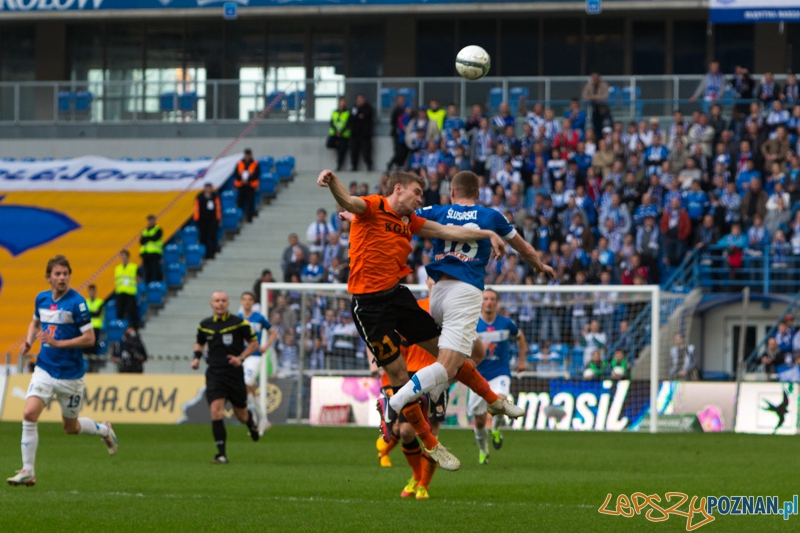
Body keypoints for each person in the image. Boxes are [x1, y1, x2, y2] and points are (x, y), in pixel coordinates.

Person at [317, 168, 510, 471]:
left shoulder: (410, 221)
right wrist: (332, 182)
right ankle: (430, 443)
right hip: (369, 308)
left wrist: (487, 233)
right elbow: (349, 201)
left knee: (448, 353)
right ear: (398, 189)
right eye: (417, 193)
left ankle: (492, 399)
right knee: (398, 374)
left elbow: (449, 232)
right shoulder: (374, 206)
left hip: (398, 297)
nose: (420, 199)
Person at [385, 171, 555, 444]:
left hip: (438, 292)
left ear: (452, 192)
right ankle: (396, 401)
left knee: (477, 352)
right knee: (447, 365)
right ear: (477, 194)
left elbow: (397, 209)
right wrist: (539, 266)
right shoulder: (491, 217)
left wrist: (357, 213)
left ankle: (438, 391)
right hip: (464, 293)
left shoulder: (437, 211)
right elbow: (524, 249)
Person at [7, 255, 118, 487]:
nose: (62, 278)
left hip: (70, 375)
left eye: (65, 274)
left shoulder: (77, 303)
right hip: (45, 369)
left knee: (71, 428)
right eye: (57, 274)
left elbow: (90, 338)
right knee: (29, 414)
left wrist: (58, 343)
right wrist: (28, 342)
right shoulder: (41, 298)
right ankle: (28, 471)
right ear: (48, 278)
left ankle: (104, 430)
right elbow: (35, 322)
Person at [191, 291, 260, 464]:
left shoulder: (238, 323)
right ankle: (221, 454)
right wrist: (196, 358)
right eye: (217, 300)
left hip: (234, 374)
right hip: (215, 373)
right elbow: (200, 343)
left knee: (241, 415)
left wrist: (241, 358)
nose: (220, 303)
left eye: (223, 300)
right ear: (211, 304)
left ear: (228, 303)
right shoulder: (204, 325)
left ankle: (250, 422)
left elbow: (254, 343)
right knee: (216, 411)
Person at [471, 289, 527, 465]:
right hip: (477, 376)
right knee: (479, 421)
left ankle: (495, 429)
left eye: (492, 299)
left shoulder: (506, 323)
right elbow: (463, 349)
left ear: (496, 303)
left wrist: (522, 360)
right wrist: (479, 348)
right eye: (486, 298)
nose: (489, 302)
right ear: (481, 302)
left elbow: (520, 337)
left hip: (500, 372)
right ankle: (483, 450)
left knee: (501, 403)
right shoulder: (472, 325)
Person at [238, 291, 273, 435]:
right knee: (251, 392)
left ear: (253, 302)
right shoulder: (237, 318)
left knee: (245, 382)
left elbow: (273, 332)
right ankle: (263, 421)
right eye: (244, 299)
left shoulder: (259, 318)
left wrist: (266, 346)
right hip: (242, 356)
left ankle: (254, 420)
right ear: (241, 302)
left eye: (249, 299)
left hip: (255, 356)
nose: (247, 302)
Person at [193, 182, 221, 259]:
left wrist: (217, 219)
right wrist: (197, 220)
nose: (208, 189)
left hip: (212, 221)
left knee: (212, 237)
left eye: (210, 188)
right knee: (203, 238)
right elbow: (196, 209)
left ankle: (212, 253)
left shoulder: (215, 197)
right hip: (202, 221)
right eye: (207, 188)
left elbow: (218, 209)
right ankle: (204, 254)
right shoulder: (199, 197)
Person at [114, 249, 139, 330]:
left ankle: (134, 328)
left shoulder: (133, 267)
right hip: (120, 292)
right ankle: (121, 329)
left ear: (128, 257)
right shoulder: (118, 268)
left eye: (124, 256)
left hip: (130, 292)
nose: (123, 258)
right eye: (122, 256)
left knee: (132, 311)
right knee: (120, 312)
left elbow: (138, 278)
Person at [234, 148, 260, 223]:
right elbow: (236, 174)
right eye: (246, 155)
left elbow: (256, 174)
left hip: (250, 186)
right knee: (240, 203)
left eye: (249, 155)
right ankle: (240, 219)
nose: (247, 156)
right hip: (241, 186)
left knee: (250, 202)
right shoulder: (239, 163)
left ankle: (249, 218)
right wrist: (241, 180)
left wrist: (248, 180)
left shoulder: (255, 163)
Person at [350, 94, 374, 171]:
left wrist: (360, 116)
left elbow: (366, 115)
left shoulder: (368, 108)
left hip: (365, 135)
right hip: (355, 135)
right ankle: (354, 167)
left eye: (360, 99)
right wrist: (358, 116)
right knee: (354, 152)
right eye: (358, 99)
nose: (359, 101)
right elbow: (352, 117)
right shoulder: (354, 108)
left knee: (366, 152)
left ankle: (369, 166)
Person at [83, 284, 104, 373]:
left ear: (95, 292)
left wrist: (89, 313)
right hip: (86, 327)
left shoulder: (100, 302)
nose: (91, 293)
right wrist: (92, 312)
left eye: (93, 291)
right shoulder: (85, 302)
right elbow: (84, 314)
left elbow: (97, 314)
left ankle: (93, 366)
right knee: (85, 346)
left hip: (96, 327)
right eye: (90, 291)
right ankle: (85, 366)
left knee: (94, 346)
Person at [582, 73, 611, 137]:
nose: (595, 80)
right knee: (596, 129)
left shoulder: (604, 85)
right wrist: (595, 98)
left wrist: (593, 97)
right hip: (594, 110)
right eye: (594, 79)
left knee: (606, 129)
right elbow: (584, 96)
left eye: (597, 79)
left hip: (604, 111)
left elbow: (605, 96)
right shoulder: (588, 86)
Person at [139, 214, 163, 283]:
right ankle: (148, 285)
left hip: (155, 253)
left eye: (152, 220)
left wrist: (147, 238)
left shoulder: (158, 229)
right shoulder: (145, 230)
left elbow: (155, 238)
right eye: (149, 220)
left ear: (155, 220)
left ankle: (158, 284)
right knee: (147, 271)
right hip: (146, 254)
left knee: (155, 270)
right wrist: (149, 238)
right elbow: (141, 241)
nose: (150, 221)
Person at [328, 97, 350, 171]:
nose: (342, 104)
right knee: (329, 144)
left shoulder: (347, 112)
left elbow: (348, 124)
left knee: (342, 151)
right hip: (334, 133)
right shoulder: (334, 112)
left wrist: (341, 132)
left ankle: (339, 166)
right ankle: (338, 147)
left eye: (344, 102)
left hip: (344, 134)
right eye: (341, 102)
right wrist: (336, 132)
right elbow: (332, 123)